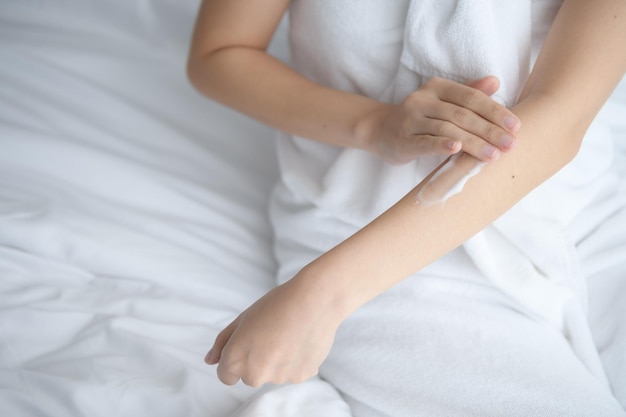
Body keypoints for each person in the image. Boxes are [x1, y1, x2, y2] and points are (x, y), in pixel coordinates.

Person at [187, 0, 626, 415]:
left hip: (585, 212)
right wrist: (374, 124)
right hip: (366, 230)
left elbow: (559, 118)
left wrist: (322, 293)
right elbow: (219, 53)